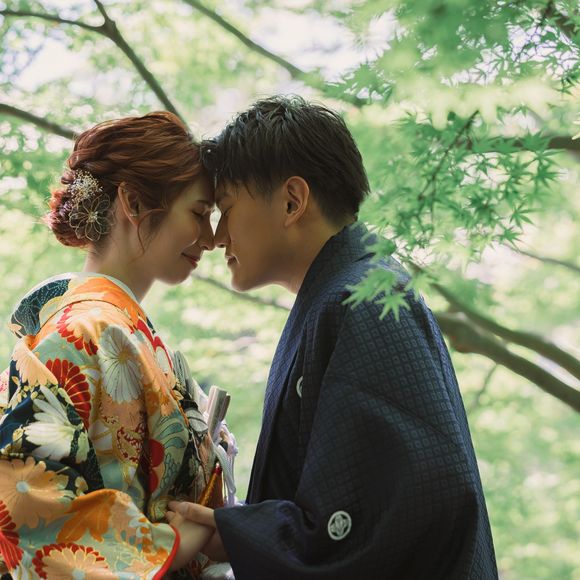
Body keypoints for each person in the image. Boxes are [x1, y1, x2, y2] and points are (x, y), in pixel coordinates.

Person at [169, 96, 499, 579]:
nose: (217, 238)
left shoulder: (364, 301)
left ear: (291, 201)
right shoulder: (345, 295)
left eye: (227, 209)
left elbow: (391, 510)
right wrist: (239, 534)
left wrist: (244, 534)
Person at [0, 112, 226, 577]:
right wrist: (174, 543)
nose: (209, 239)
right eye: (199, 213)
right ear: (134, 202)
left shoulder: (111, 328)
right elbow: (23, 496)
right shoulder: (84, 330)